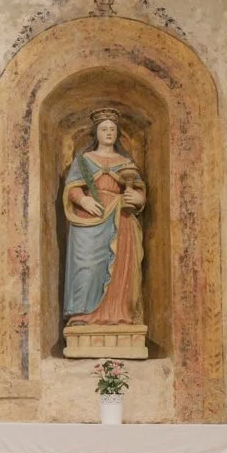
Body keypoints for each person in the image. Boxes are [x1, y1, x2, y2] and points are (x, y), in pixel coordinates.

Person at [61, 109, 147, 324]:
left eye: (112, 129)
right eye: (103, 129)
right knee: (86, 266)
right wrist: (83, 200)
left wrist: (136, 198)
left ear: (117, 134)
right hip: (89, 218)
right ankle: (82, 315)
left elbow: (139, 192)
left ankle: (119, 315)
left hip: (120, 218)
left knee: (120, 266)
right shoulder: (84, 161)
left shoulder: (126, 163)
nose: (108, 132)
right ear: (96, 133)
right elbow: (72, 188)